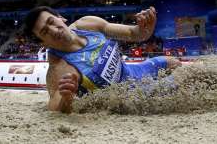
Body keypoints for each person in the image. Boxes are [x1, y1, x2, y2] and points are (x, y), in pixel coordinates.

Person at [23, 6, 181, 113]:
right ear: (43, 43)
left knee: (173, 62)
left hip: (134, 71)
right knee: (183, 82)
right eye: (44, 31)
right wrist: (66, 98)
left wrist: (146, 26)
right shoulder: (60, 67)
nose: (53, 30)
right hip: (130, 97)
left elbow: (135, 34)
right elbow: (53, 107)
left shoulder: (87, 24)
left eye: (51, 22)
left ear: (61, 18)